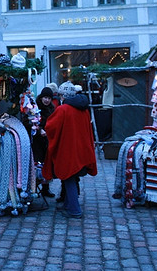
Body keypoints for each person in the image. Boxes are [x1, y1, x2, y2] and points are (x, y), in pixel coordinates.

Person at [44, 81, 97, 218]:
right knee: (72, 177)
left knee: (68, 177)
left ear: (63, 95)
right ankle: (68, 204)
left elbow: (51, 127)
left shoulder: (63, 109)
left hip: (69, 149)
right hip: (81, 149)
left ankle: (74, 209)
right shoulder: (83, 109)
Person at [35, 87, 57, 197]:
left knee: (47, 164)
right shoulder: (35, 107)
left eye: (49, 98)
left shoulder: (52, 109)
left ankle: (45, 188)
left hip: (48, 141)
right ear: (41, 97)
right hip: (37, 141)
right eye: (45, 97)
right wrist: (39, 130)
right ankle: (34, 187)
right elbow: (30, 122)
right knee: (38, 164)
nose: (46, 100)